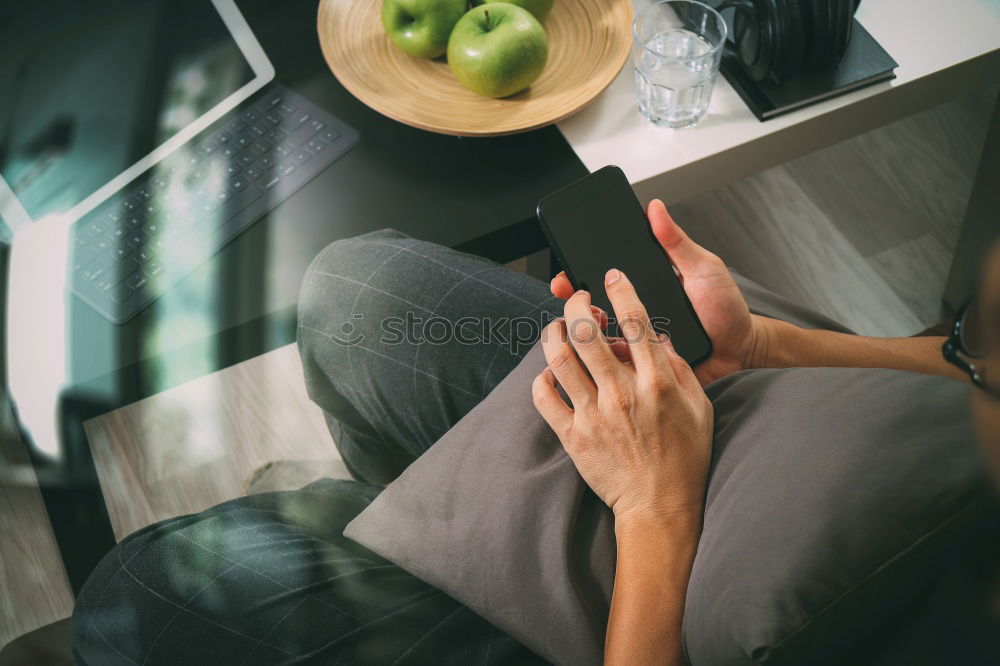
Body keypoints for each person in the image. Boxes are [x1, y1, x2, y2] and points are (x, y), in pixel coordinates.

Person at [70, 202, 997, 665]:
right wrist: (759, 343)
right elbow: (966, 366)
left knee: (136, 591)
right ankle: (397, 522)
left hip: (647, 598)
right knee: (355, 295)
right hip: (748, 414)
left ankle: (425, 573)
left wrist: (653, 505)